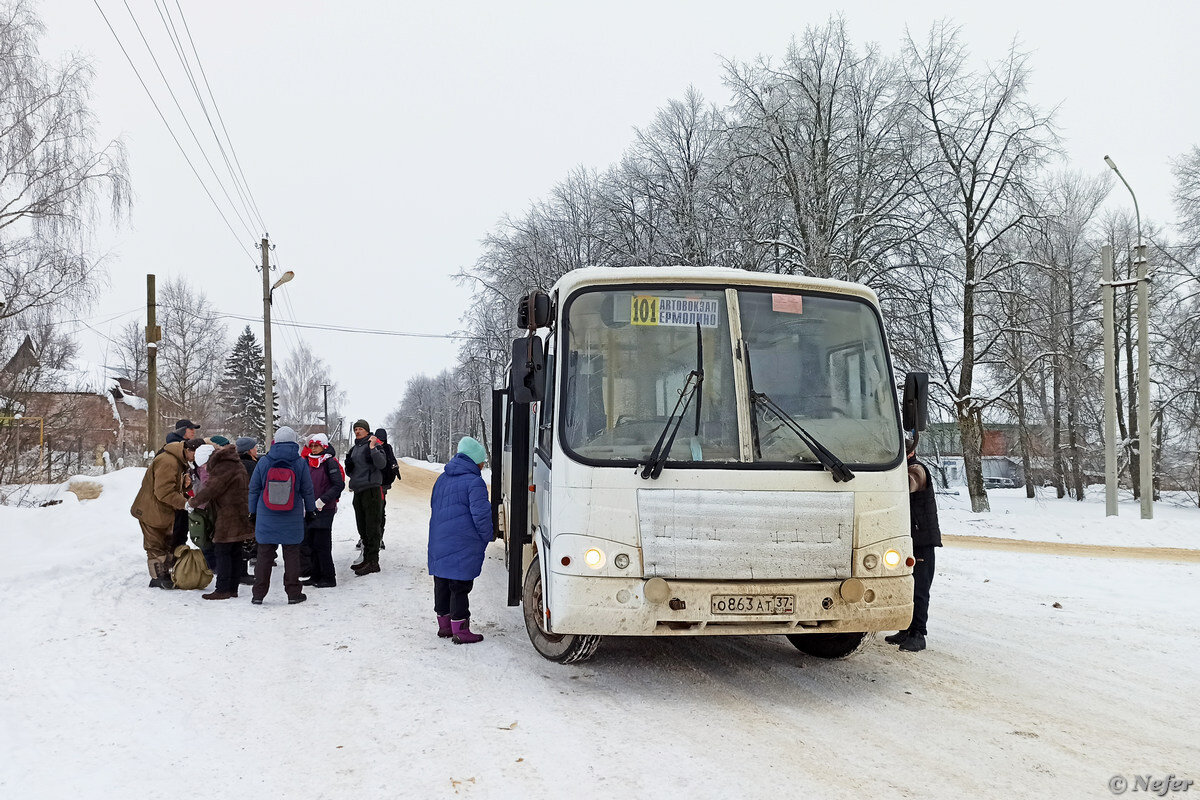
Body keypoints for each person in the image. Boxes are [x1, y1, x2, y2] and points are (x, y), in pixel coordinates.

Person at [427, 436, 492, 644]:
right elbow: (481, 516)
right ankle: (461, 630)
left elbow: (434, 507)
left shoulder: (442, 479)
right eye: (481, 462)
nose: (482, 466)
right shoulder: (475, 482)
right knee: (460, 586)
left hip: (439, 540)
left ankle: (444, 626)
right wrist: (487, 536)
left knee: (442, 584)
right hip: (463, 543)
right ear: (474, 461)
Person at [886, 438, 943, 653]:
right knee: (908, 588)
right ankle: (906, 629)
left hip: (922, 540)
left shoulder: (917, 470)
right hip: (909, 538)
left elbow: (905, 487)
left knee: (919, 589)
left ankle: (919, 634)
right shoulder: (908, 467)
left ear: (908, 452)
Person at [248, 426, 316, 605]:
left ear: (275, 441)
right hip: (291, 516)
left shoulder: (264, 462)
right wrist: (310, 510)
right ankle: (293, 593)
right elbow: (307, 490)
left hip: (266, 516)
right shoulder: (300, 462)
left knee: (264, 556)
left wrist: (252, 511)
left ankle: (258, 594)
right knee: (292, 555)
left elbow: (254, 489)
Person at [189, 443, 253, 600]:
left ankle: (222, 589)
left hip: (228, 514)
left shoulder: (222, 467)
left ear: (207, 459)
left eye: (203, 465)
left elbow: (211, 489)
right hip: (240, 512)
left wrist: (191, 503)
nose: (204, 468)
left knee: (222, 551)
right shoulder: (233, 463)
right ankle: (232, 588)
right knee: (235, 551)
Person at [130, 439, 194, 589]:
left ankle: (165, 575)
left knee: (165, 544)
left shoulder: (178, 461)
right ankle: (157, 578)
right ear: (189, 450)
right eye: (195, 455)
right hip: (150, 510)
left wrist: (186, 486)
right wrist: (185, 503)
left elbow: (172, 488)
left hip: (161, 511)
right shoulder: (168, 461)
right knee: (155, 546)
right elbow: (163, 492)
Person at [302, 434, 345, 588]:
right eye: (311, 445)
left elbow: (338, 485)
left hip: (324, 508)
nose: (314, 448)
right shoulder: (306, 461)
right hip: (309, 509)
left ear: (324, 446)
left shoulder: (329, 462)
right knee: (311, 543)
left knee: (322, 544)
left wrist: (323, 500)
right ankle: (315, 575)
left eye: (317, 445)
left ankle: (328, 577)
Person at [344, 419, 386, 576]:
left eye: (360, 429)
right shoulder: (354, 448)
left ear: (367, 431)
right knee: (362, 526)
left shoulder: (374, 445)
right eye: (355, 429)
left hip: (371, 490)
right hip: (358, 490)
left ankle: (373, 561)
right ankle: (366, 558)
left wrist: (373, 448)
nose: (357, 431)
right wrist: (349, 467)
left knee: (372, 526)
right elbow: (352, 471)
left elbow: (381, 464)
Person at [375, 427, 399, 548]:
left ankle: (379, 537)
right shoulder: (371, 447)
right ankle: (364, 538)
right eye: (379, 439)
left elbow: (393, 461)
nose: (381, 441)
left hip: (383, 485)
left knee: (380, 512)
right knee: (367, 513)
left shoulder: (388, 448)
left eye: (382, 439)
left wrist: (394, 470)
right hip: (371, 484)